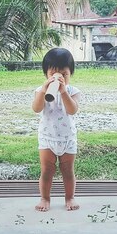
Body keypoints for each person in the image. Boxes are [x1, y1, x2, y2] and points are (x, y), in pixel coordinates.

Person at [31, 48, 81, 212]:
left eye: (64, 74)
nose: (59, 78)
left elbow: (72, 110)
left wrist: (63, 91)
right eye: (53, 74)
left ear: (70, 74)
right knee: (47, 170)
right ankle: (45, 198)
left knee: (67, 171)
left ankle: (70, 197)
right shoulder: (41, 90)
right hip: (47, 137)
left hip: (67, 138)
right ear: (46, 73)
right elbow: (36, 109)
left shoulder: (73, 91)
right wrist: (44, 90)